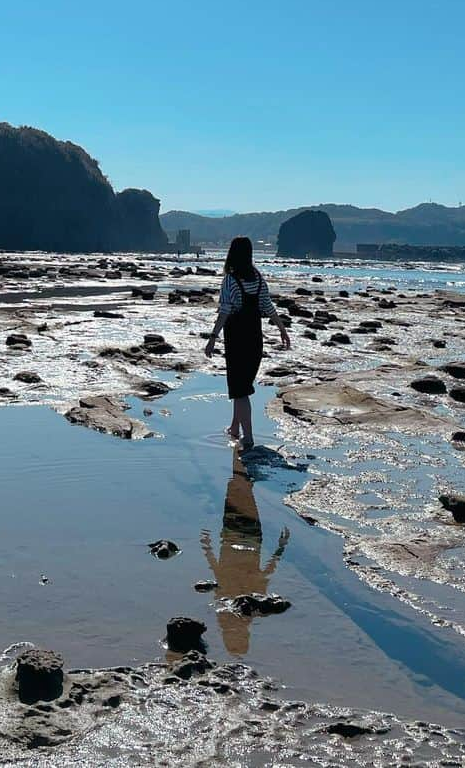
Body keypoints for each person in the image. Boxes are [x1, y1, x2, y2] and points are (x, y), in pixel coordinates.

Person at [200, 447, 290, 655]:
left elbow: (218, 572)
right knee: (241, 492)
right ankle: (240, 464)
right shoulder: (249, 603)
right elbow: (265, 573)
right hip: (245, 541)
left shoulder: (233, 603)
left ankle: (239, 463)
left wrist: (207, 547)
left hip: (236, 541)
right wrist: (280, 548)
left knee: (239, 492)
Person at [204, 236, 290, 449]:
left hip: (236, 340)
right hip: (255, 339)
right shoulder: (258, 279)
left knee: (240, 389)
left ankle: (249, 437)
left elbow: (224, 311)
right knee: (240, 386)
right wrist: (282, 329)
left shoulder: (230, 280)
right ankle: (235, 428)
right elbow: (268, 307)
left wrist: (212, 338)